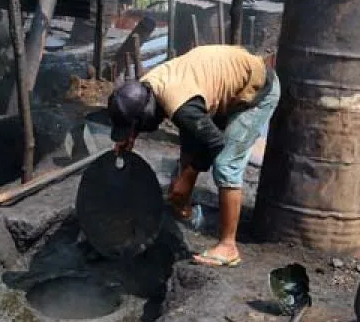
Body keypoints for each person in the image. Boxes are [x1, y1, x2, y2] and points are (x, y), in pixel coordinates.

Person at [107, 44, 280, 268]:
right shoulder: (147, 86)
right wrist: (129, 136)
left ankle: (228, 247)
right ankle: (187, 209)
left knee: (226, 164)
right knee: (189, 150)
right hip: (216, 86)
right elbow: (185, 129)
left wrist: (187, 178)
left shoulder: (180, 104)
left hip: (256, 91)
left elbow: (214, 142)